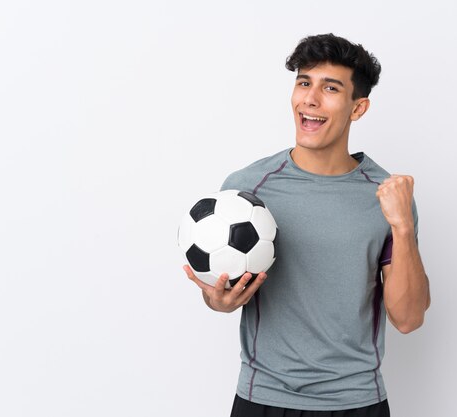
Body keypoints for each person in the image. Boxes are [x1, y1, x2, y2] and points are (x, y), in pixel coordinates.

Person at [183, 33, 430, 417]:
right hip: (263, 397)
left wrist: (401, 228)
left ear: (358, 108)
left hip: (356, 401)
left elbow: (409, 318)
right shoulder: (247, 189)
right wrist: (216, 299)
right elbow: (223, 290)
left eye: (330, 88)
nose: (310, 99)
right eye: (303, 83)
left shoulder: (387, 196)